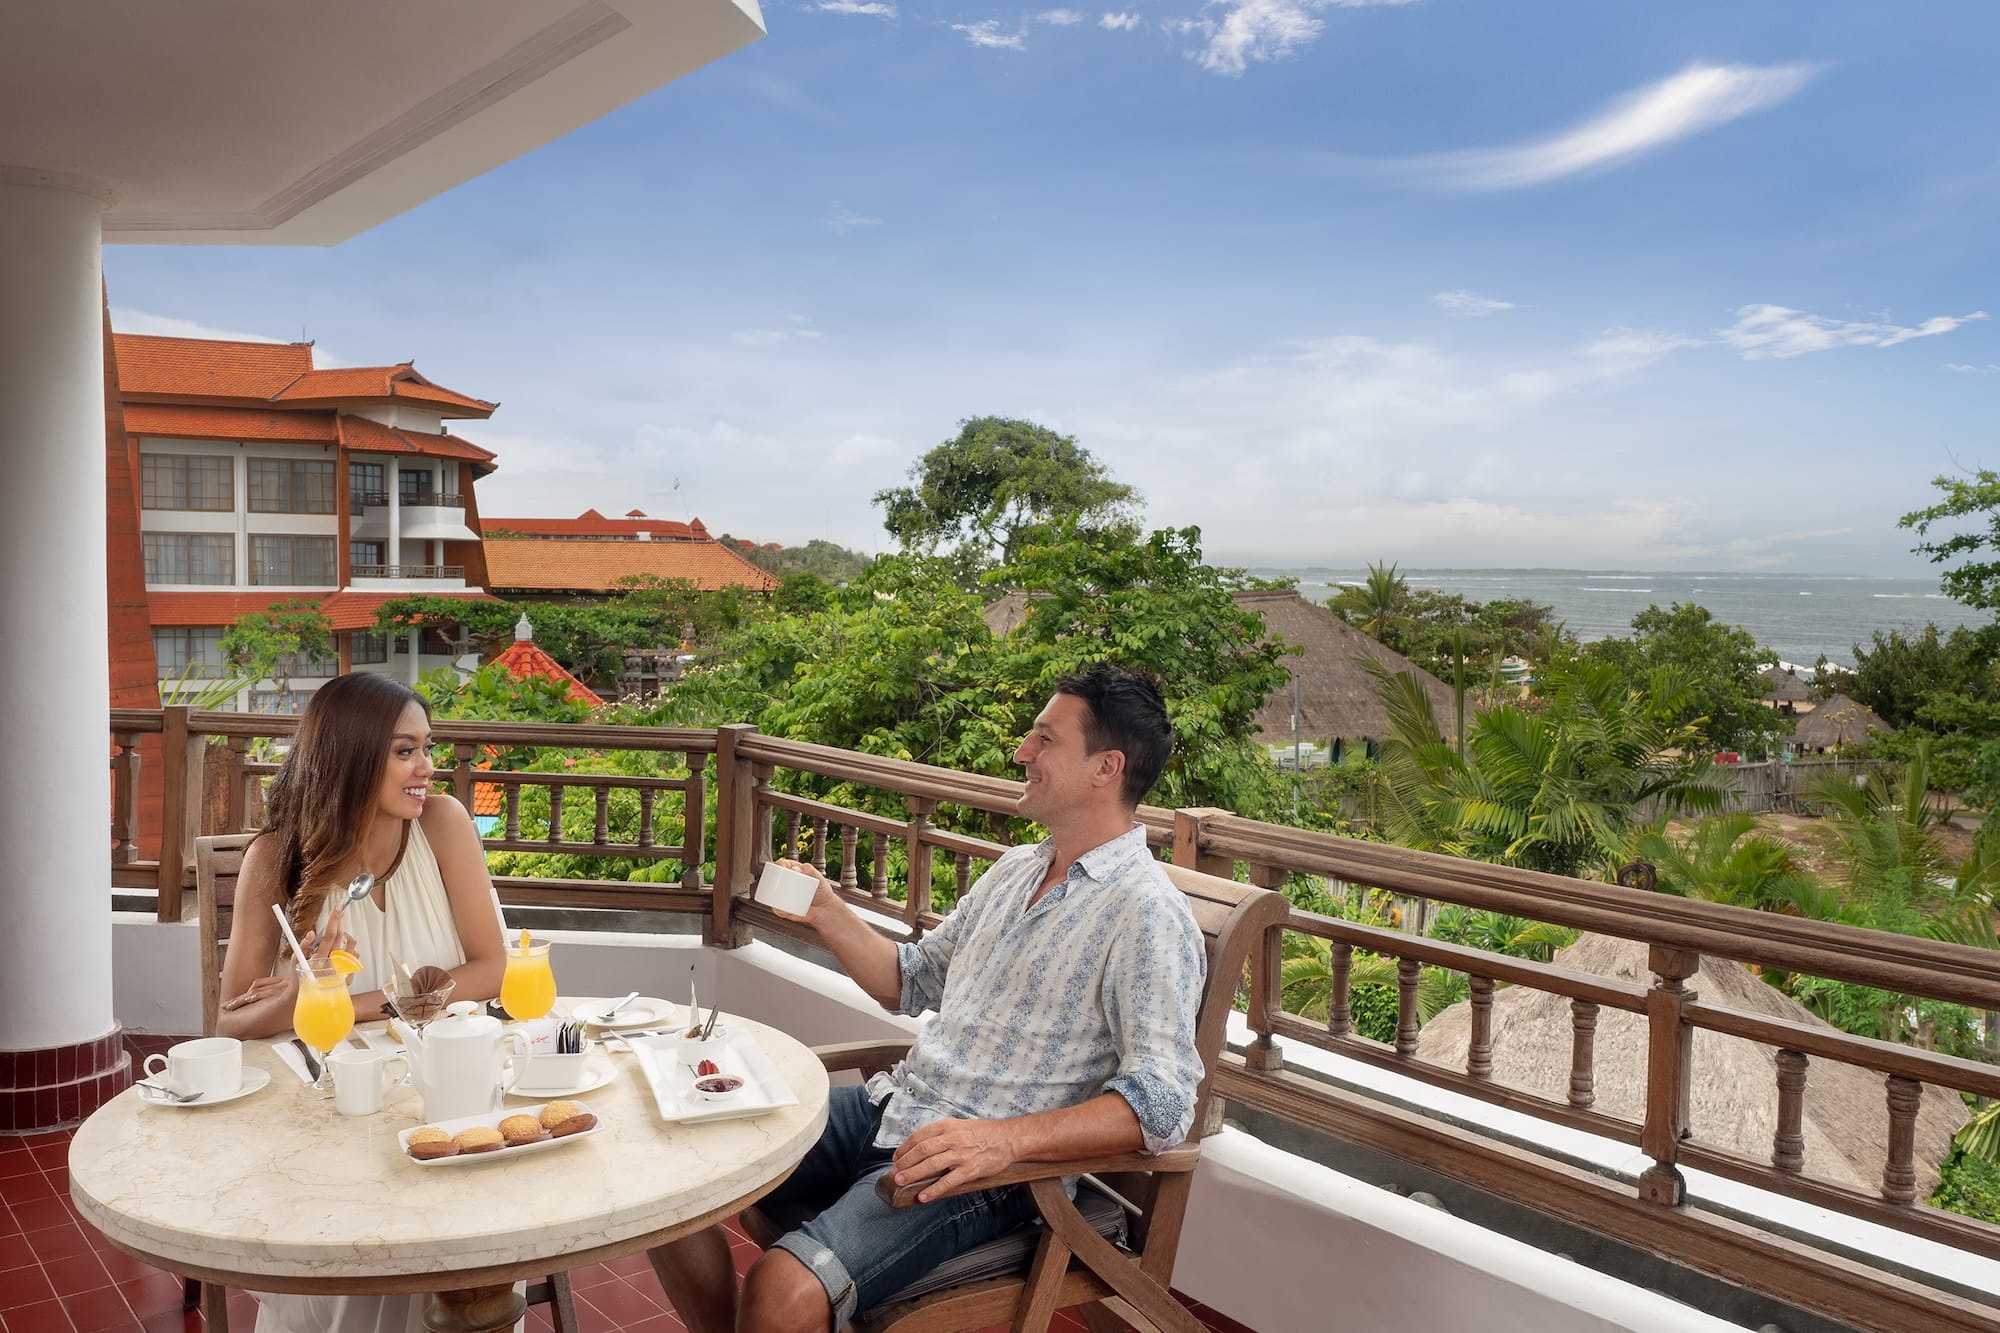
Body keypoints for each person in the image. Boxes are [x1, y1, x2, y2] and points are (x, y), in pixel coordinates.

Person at [650, 662, 1206, 1333]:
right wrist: (828, 910)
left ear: (1104, 767)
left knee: (782, 1290)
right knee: (669, 1176)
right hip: (894, 1105)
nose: (1021, 753)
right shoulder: (1016, 869)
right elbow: (909, 978)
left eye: (1044, 739)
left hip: (982, 1172)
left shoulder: (1146, 912)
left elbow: (1164, 1101)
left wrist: (1002, 1141)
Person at [215, 671, 508, 1333]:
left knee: (460, 1243)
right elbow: (227, 1018)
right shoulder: (275, 857)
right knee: (362, 1261)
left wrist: (361, 1001)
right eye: (405, 751)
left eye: (427, 747)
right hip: (326, 1119)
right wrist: (302, 987)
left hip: (435, 1102)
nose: (427, 767)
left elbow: (490, 969)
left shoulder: (443, 825)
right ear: (352, 755)